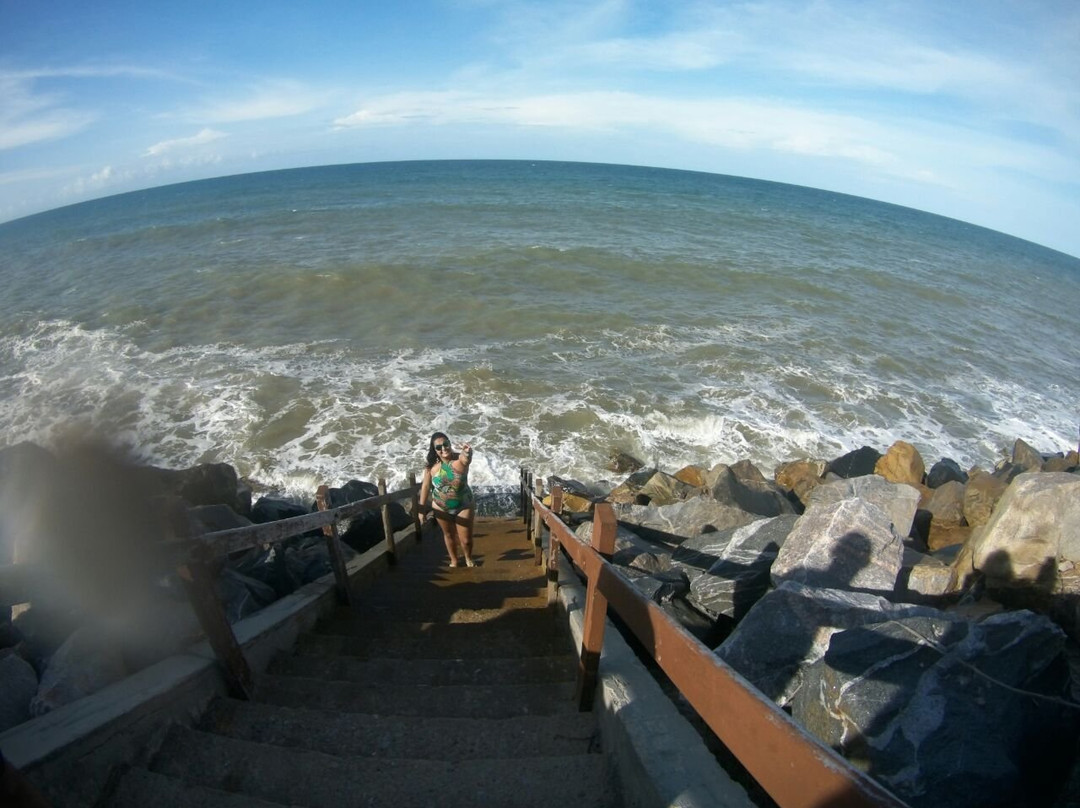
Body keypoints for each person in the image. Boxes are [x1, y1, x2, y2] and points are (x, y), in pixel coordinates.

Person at [418, 431, 476, 567]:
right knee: (448, 535)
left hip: (464, 505)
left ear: (450, 444)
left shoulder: (459, 459)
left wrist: (467, 452)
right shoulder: (430, 467)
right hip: (440, 507)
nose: (443, 448)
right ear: (434, 450)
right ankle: (454, 561)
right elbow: (425, 487)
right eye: (438, 447)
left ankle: (468, 558)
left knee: (466, 540)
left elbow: (466, 459)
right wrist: (421, 511)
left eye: (446, 444)